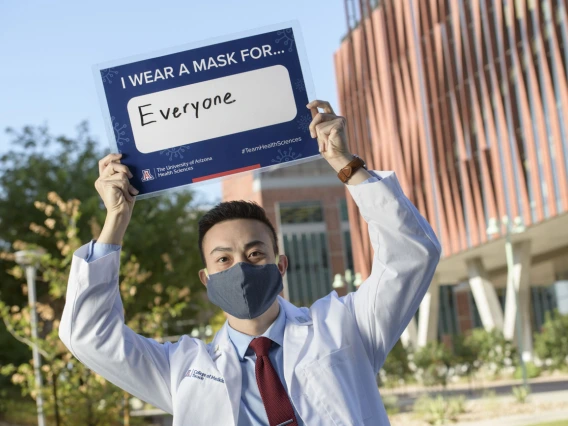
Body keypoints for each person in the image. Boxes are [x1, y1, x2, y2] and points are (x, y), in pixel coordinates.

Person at [60, 100, 440, 426]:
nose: (240, 267)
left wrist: (346, 164)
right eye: (222, 259)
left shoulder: (345, 327)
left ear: (281, 265)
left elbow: (411, 255)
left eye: (255, 254)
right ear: (206, 279)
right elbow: (90, 336)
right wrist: (116, 219)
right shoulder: (181, 368)